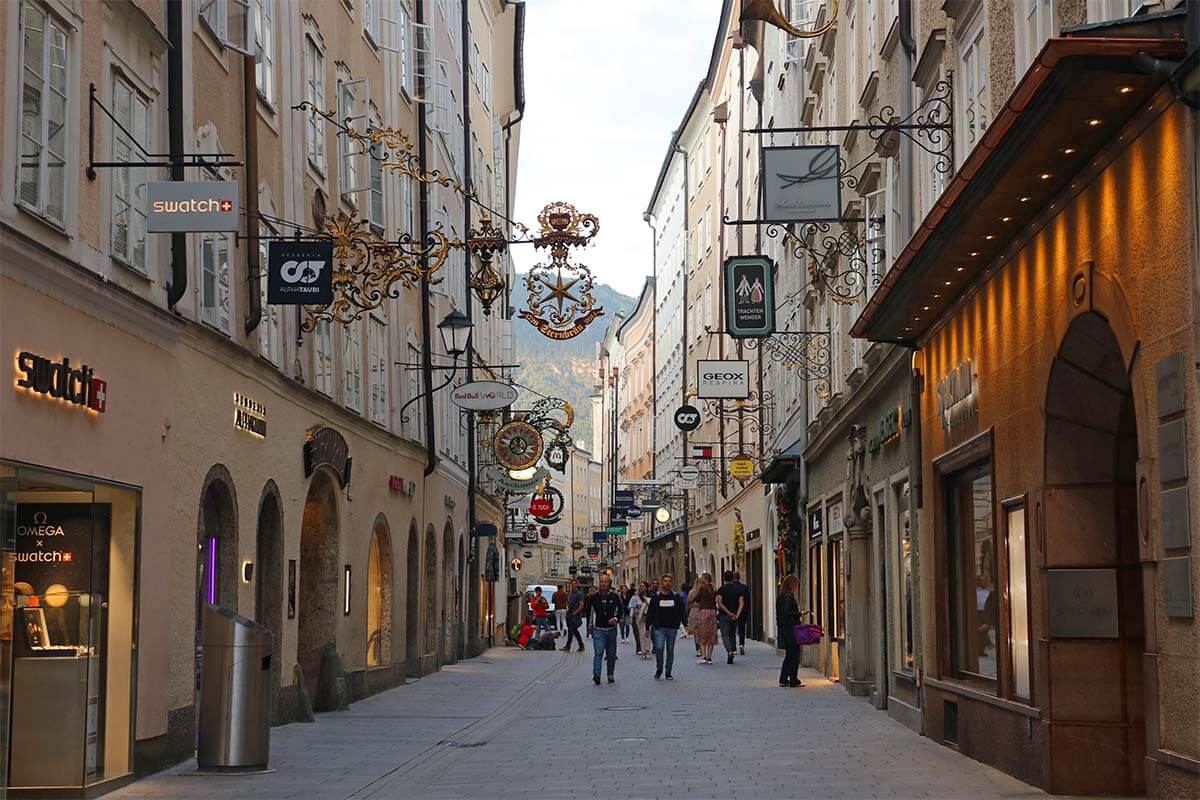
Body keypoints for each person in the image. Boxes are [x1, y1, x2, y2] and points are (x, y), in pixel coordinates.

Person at [585, 574, 624, 684]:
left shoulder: (615, 597)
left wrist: (615, 618)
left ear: (609, 583)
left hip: (611, 629)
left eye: (605, 582)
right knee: (599, 652)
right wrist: (589, 625)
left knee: (611, 654)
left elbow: (621, 611)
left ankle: (610, 674)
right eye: (601, 582)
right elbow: (590, 612)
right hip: (598, 629)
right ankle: (596, 674)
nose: (603, 584)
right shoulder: (593, 597)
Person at [646, 574, 686, 680]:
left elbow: (682, 611)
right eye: (665, 581)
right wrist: (647, 627)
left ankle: (668, 671)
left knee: (670, 650)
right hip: (659, 627)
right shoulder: (656, 597)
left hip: (672, 627)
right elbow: (650, 612)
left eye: (669, 581)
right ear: (662, 583)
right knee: (659, 648)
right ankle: (659, 668)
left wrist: (685, 624)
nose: (667, 583)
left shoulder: (676, 597)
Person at [776, 575, 802, 687]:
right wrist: (800, 613)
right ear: (791, 585)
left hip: (783, 628)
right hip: (790, 628)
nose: (796, 587)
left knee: (789, 654)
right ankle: (793, 679)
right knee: (794, 653)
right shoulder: (788, 597)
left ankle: (784, 678)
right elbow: (787, 613)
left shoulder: (780, 596)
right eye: (796, 585)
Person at [716, 571, 745, 664]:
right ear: (732, 578)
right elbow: (741, 603)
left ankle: (729, 651)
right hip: (735, 616)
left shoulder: (721, 589)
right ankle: (732, 649)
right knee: (732, 634)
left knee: (725, 634)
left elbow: (720, 603)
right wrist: (737, 614)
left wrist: (728, 613)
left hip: (724, 615)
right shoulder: (738, 589)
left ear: (724, 578)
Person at [689, 573, 718, 664]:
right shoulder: (714, 589)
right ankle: (709, 657)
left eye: (702, 578)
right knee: (711, 634)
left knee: (702, 633)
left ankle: (704, 656)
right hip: (712, 612)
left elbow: (696, 599)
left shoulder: (702, 588)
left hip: (703, 612)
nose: (701, 579)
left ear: (705, 579)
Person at [560, 580, 586, 653]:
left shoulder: (579, 594)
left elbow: (581, 604)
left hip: (575, 614)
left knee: (571, 630)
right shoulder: (570, 593)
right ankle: (581, 645)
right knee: (574, 631)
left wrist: (576, 612)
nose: (573, 585)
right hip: (570, 613)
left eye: (575, 584)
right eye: (572, 584)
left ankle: (568, 646)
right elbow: (568, 602)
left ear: (577, 585)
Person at [732, 571, 751, 655]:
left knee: (732, 630)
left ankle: (734, 648)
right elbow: (747, 600)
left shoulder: (730, 587)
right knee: (741, 629)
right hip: (743, 611)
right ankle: (741, 644)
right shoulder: (744, 587)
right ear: (739, 577)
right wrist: (747, 610)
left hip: (732, 612)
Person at [627, 585, 646, 657]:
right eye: (640, 588)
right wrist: (631, 617)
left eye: (643, 587)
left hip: (645, 616)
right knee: (638, 633)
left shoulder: (647, 596)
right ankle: (639, 648)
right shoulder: (634, 597)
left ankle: (645, 648)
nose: (642, 589)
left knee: (645, 633)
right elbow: (631, 607)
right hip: (637, 616)